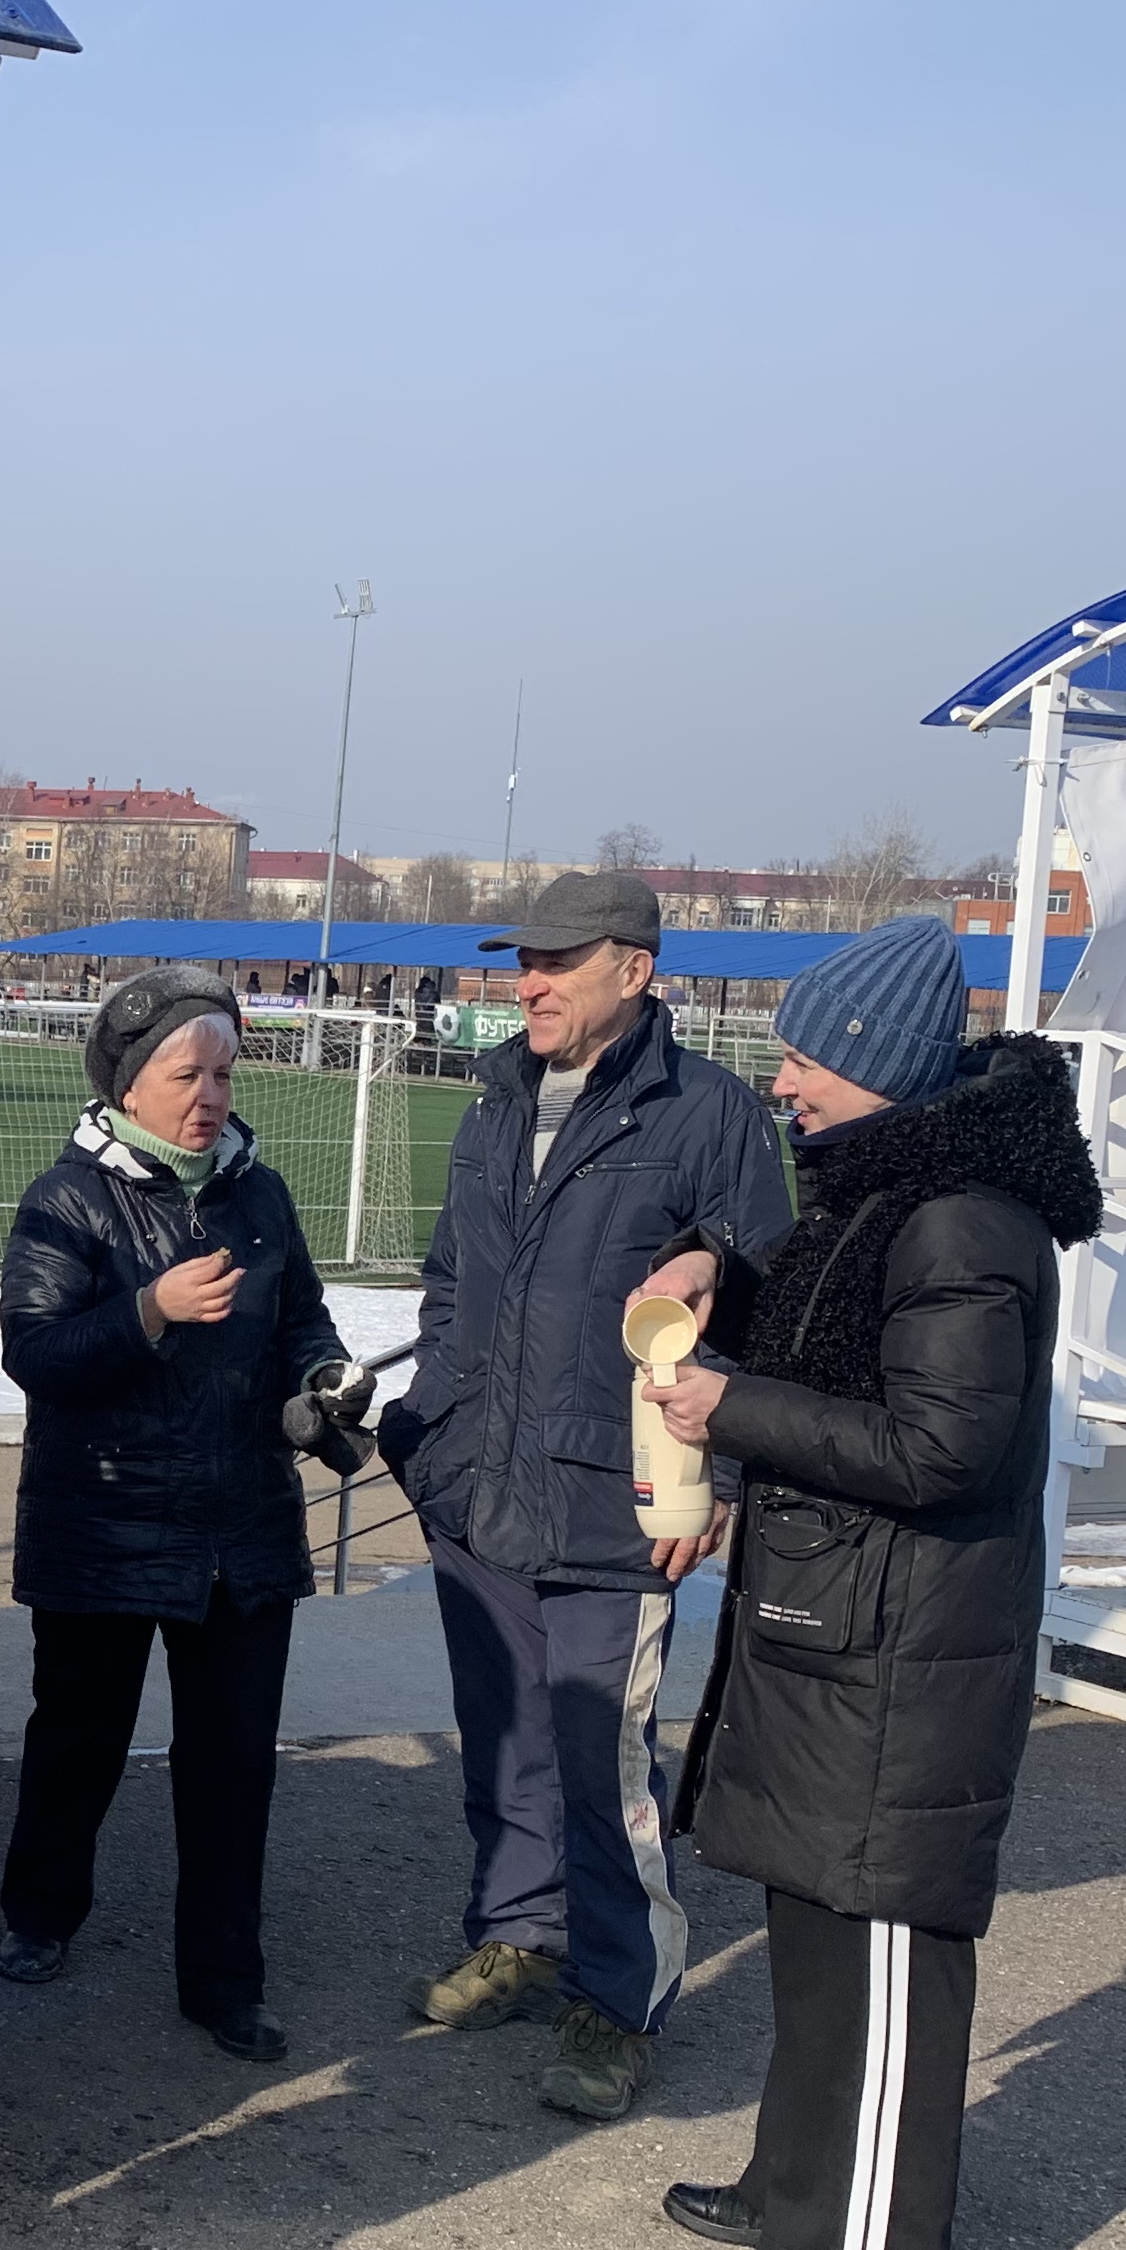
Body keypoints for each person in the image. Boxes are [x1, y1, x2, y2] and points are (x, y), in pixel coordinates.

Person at [632, 920, 1101, 2250]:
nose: (781, 1083)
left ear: (882, 1066)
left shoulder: (963, 1221)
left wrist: (734, 1409)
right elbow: (840, 1335)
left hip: (907, 1642)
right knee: (819, 1923)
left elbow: (941, 1447)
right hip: (845, 1621)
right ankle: (799, 2189)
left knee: (883, 1938)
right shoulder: (888, 1190)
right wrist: (726, 1279)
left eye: (805, 1059)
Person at [378, 869, 791, 2123]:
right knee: (504, 1735)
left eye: (559, 962)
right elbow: (452, 1281)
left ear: (636, 969)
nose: (531, 984)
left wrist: (711, 1478)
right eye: (524, 961)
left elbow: (764, 1309)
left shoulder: (710, 1114)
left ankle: (618, 2001)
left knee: (603, 1764)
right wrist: (433, 1425)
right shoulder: (496, 1099)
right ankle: (519, 1935)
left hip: (613, 1502)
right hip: (479, 1484)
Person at [0, 965, 360, 2064]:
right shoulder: (67, 1199)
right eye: (184, 1074)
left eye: (223, 1075)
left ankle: (224, 1982)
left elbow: (303, 1323)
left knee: (233, 1768)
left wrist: (323, 1381)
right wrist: (149, 1309)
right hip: (103, 1528)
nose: (208, 1096)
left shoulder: (262, 1196)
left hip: (242, 1531)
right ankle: (40, 1913)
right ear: (126, 1083)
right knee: (79, 1741)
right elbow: (35, 1354)